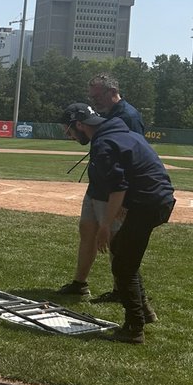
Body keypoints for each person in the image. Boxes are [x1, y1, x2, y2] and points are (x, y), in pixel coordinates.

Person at [61, 102, 175, 343]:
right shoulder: (121, 132)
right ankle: (144, 312)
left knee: (123, 264)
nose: (69, 135)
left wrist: (104, 227)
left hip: (148, 203)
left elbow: (118, 188)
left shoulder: (104, 144)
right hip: (158, 200)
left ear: (80, 125)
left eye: (69, 130)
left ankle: (134, 329)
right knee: (126, 258)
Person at [58, 73, 146, 298]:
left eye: (96, 97)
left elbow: (134, 155)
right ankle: (80, 284)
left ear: (110, 92)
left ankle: (122, 288)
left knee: (116, 240)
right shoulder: (105, 114)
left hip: (114, 189)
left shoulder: (128, 115)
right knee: (87, 229)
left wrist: (126, 199)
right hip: (98, 184)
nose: (93, 101)